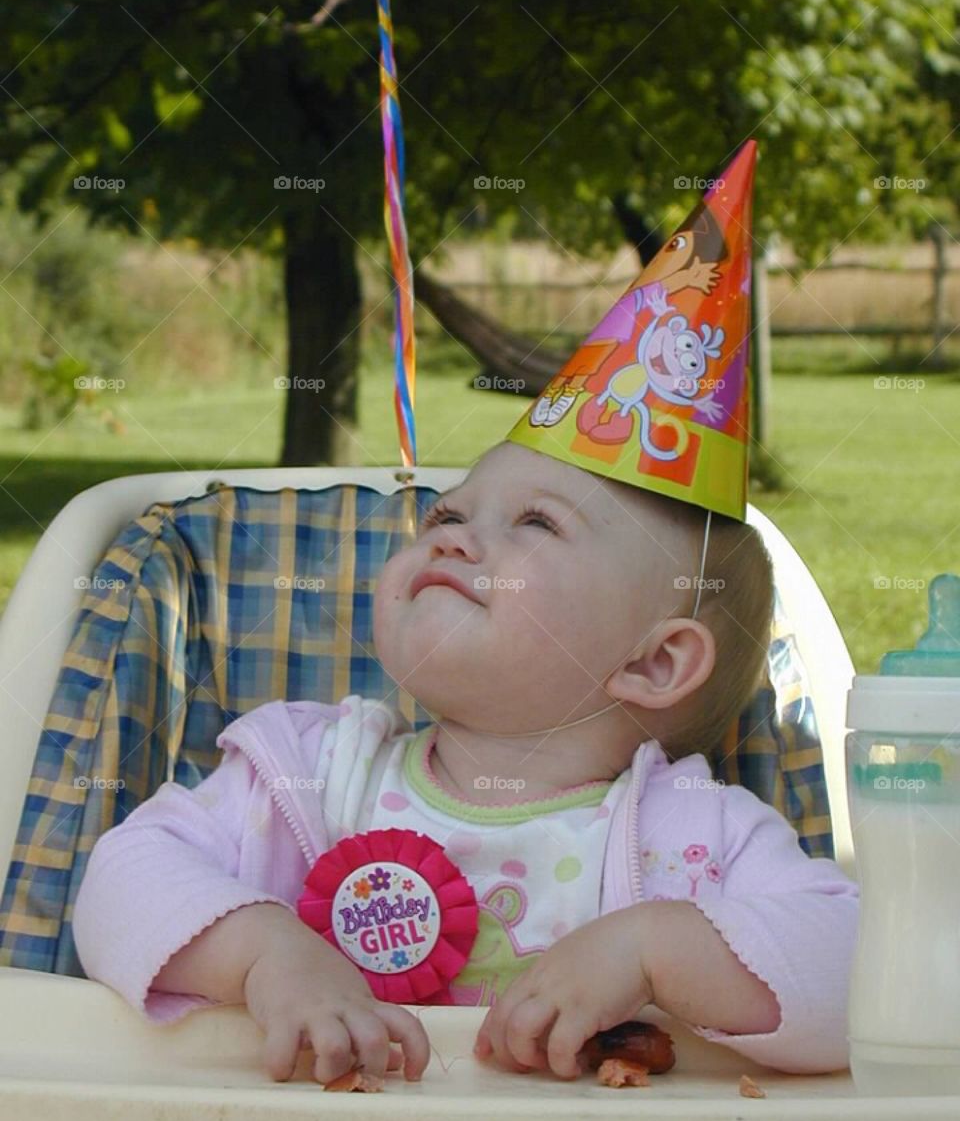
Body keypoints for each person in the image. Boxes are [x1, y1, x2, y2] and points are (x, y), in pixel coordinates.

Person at [72, 438, 858, 1088]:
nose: (447, 533)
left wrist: (654, 951)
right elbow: (120, 879)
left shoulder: (699, 839)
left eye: (536, 524)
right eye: (446, 513)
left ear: (654, 664)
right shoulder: (306, 777)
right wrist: (264, 954)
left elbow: (863, 977)